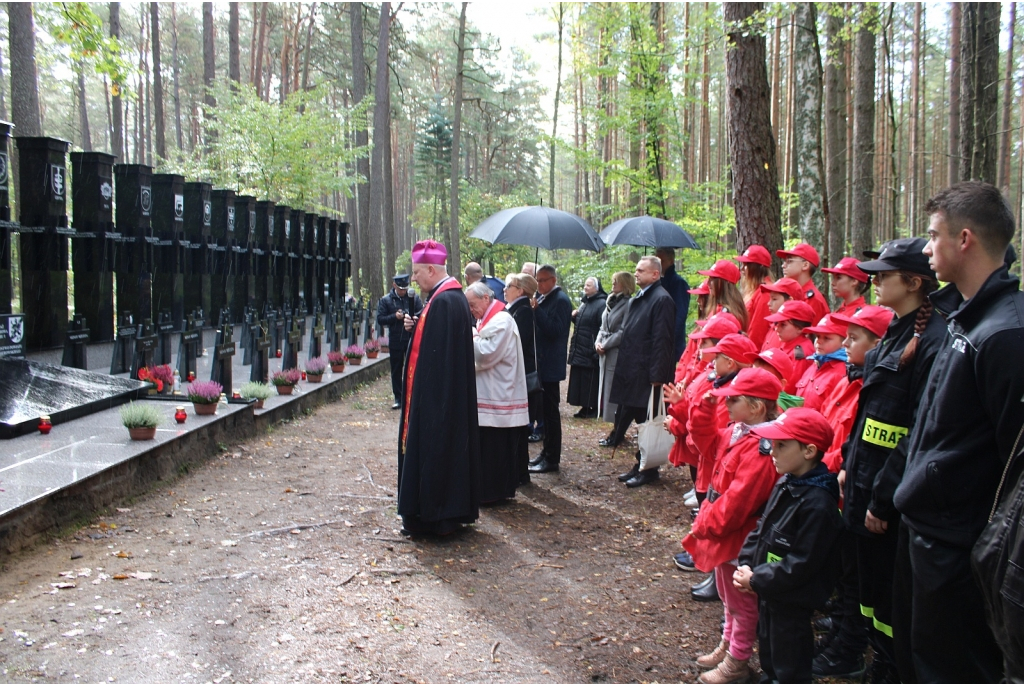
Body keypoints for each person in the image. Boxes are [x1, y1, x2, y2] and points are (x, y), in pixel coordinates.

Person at [890, 183, 1024, 683]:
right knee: (919, 660)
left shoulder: (1007, 334)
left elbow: (1015, 464)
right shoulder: (958, 320)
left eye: (933, 235)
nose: (927, 248)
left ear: (964, 239)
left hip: (962, 548)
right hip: (924, 528)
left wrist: (984, 552)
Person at [821, 239, 942, 681]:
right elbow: (871, 415)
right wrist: (851, 465)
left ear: (913, 282)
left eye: (884, 276)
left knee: (887, 596)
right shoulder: (897, 330)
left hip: (886, 497)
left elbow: (916, 431)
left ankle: (888, 667)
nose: (874, 282)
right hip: (864, 482)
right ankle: (869, 655)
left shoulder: (932, 341)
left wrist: (882, 498)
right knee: (863, 586)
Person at [684, 368, 783, 684]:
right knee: (728, 598)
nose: (726, 404)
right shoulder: (738, 431)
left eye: (733, 399)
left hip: (737, 536)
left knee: (742, 603)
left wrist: (705, 525)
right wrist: (705, 406)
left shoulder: (762, 447)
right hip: (722, 531)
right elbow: (703, 441)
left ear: (755, 407)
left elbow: (740, 500)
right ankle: (728, 645)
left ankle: (737, 661)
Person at [734, 408, 844, 684]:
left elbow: (803, 563)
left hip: (793, 600)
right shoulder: (786, 482)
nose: (772, 451)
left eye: (782, 445)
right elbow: (762, 528)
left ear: (808, 451)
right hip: (770, 593)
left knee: (790, 660)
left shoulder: (819, 504)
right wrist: (746, 562)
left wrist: (758, 579)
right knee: (769, 649)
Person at [397, 240, 480, 537]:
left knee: (435, 450)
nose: (414, 278)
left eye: (417, 272)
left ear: (431, 269)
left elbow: (438, 357)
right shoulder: (448, 298)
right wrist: (418, 325)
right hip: (446, 394)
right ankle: (442, 512)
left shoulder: (444, 301)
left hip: (436, 398)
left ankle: (432, 515)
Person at [608, 256, 676, 487]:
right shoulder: (640, 297)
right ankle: (641, 464)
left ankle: (648, 468)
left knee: (649, 422)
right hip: (634, 369)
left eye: (641, 270)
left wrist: (657, 377)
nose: (635, 274)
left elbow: (662, 341)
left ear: (655, 274)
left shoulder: (662, 300)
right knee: (640, 420)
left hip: (648, 374)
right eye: (636, 270)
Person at [465, 281, 529, 504]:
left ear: (486, 299)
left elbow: (485, 355)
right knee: (488, 447)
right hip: (490, 393)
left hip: (500, 394)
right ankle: (487, 490)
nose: (471, 311)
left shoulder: (502, 320)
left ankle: (496, 492)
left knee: (497, 448)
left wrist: (471, 334)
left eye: (473, 305)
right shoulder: (486, 318)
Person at [528, 265, 573, 474]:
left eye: (543, 280)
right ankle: (545, 453)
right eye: (537, 280)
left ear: (553, 280)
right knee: (544, 412)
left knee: (551, 414)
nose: (539, 284)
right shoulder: (544, 297)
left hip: (551, 365)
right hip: (542, 363)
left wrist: (537, 311)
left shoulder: (561, 301)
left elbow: (555, 330)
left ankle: (552, 457)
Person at [504, 272, 540, 485]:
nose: (504, 290)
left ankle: (519, 472)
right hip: (517, 372)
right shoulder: (518, 309)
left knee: (518, 425)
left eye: (509, 286)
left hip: (522, 373)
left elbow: (518, 341)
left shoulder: (523, 311)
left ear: (520, 290)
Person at [376, 273, 423, 409]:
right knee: (396, 369)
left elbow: (421, 313)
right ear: (394, 285)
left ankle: (413, 396)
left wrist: (413, 317)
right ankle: (398, 397)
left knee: (413, 368)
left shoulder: (413, 297)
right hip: (396, 338)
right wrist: (395, 317)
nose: (403, 291)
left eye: (405, 288)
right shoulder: (386, 300)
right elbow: (380, 319)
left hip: (411, 338)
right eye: (401, 288)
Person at [595, 271, 634, 426]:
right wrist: (597, 343)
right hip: (605, 352)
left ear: (624, 284)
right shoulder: (610, 301)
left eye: (615, 282)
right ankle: (612, 425)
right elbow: (602, 327)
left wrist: (605, 344)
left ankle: (617, 427)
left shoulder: (629, 303)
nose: (612, 285)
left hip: (617, 353)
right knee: (606, 389)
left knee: (615, 391)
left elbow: (623, 331)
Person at [566, 277, 607, 419]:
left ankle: (594, 407)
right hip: (580, 349)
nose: (585, 287)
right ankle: (585, 406)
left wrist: (597, 347)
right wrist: (574, 317)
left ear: (597, 288)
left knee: (591, 381)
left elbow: (602, 326)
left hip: (591, 349)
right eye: (585, 285)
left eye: (589, 285)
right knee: (581, 381)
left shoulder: (601, 304)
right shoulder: (584, 303)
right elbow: (583, 323)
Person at [794, 315, 849, 412]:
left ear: (843, 343)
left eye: (826, 338)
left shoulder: (843, 373)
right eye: (818, 336)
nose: (819, 341)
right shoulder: (815, 364)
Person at [763, 300, 816, 389]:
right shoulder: (788, 342)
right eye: (777, 323)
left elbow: (789, 387)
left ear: (800, 328)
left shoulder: (801, 352)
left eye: (783, 325)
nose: (777, 329)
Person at [777, 243, 830, 322]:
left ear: (805, 265)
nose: (783, 265)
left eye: (789, 261)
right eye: (785, 261)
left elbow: (808, 332)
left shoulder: (813, 300)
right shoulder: (792, 294)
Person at [656, 247, 692, 358]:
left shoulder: (679, 283)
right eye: (657, 261)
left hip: (671, 342)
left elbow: (680, 315)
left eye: (662, 261)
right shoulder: (657, 282)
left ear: (671, 261)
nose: (659, 265)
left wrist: (669, 338)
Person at [737, 245, 774, 349]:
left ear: (757, 268)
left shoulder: (765, 292)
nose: (742, 269)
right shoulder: (753, 290)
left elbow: (758, 332)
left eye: (746, 265)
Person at [698, 259, 749, 331]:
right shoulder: (716, 308)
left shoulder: (727, 314)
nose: (708, 283)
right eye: (709, 278)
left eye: (713, 279)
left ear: (725, 283)